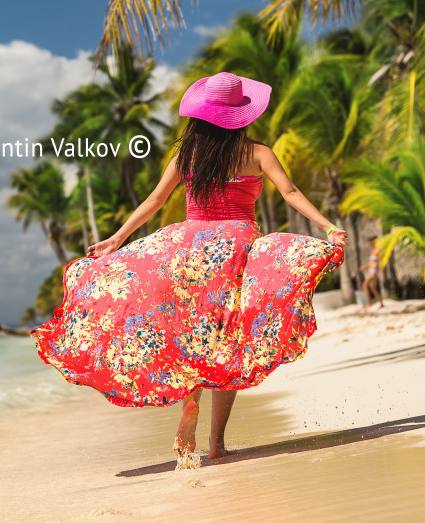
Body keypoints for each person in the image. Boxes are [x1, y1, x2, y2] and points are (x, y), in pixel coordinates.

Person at [32, 72, 348, 462]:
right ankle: (216, 444)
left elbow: (153, 201)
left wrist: (117, 240)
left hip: (185, 250)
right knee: (227, 344)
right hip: (233, 250)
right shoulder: (259, 152)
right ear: (241, 114)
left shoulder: (187, 156)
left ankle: (189, 403)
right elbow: (291, 192)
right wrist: (328, 228)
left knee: (188, 335)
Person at [360, 236, 385, 308]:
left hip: (374, 272)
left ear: (373, 242)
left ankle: (368, 303)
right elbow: (371, 262)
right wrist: (364, 267)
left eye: (369, 243)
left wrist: (382, 273)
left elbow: (381, 262)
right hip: (371, 271)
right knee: (373, 288)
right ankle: (381, 303)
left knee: (364, 285)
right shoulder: (373, 251)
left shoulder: (378, 250)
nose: (368, 244)